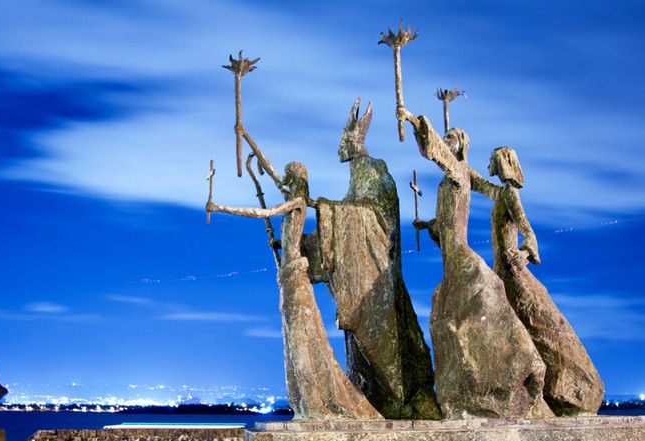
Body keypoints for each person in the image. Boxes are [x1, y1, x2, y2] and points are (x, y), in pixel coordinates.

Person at [403, 107, 553, 419]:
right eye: (445, 137)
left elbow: (438, 154)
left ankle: (517, 369)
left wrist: (415, 121)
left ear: (461, 146)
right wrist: (428, 225)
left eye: (452, 138)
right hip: (449, 258)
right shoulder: (453, 178)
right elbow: (466, 206)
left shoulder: (458, 172)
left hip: (460, 255)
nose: (446, 141)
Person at [207, 162, 381, 420]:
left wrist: (221, 207)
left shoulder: (297, 202)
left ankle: (316, 403)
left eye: (288, 177)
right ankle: (306, 404)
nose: (284, 183)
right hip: (288, 282)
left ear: (295, 179)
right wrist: (280, 243)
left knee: (302, 343)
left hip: (297, 283)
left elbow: (263, 212)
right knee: (293, 343)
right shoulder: (293, 205)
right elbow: (292, 236)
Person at [303, 100, 440, 419]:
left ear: (354, 143)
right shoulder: (356, 175)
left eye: (345, 142)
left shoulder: (374, 169)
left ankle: (394, 398)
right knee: (358, 343)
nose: (340, 149)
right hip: (359, 273)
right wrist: (307, 240)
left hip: (377, 277)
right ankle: (368, 391)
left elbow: (379, 215)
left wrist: (328, 210)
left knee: (381, 339)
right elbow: (348, 212)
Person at [488, 147, 604, 415]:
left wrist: (524, 254)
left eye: (491, 160)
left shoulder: (510, 193)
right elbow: (472, 179)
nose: (488, 165)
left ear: (502, 163)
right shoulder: (499, 193)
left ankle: (567, 388)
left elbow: (528, 231)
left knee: (535, 326)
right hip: (500, 271)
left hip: (510, 272)